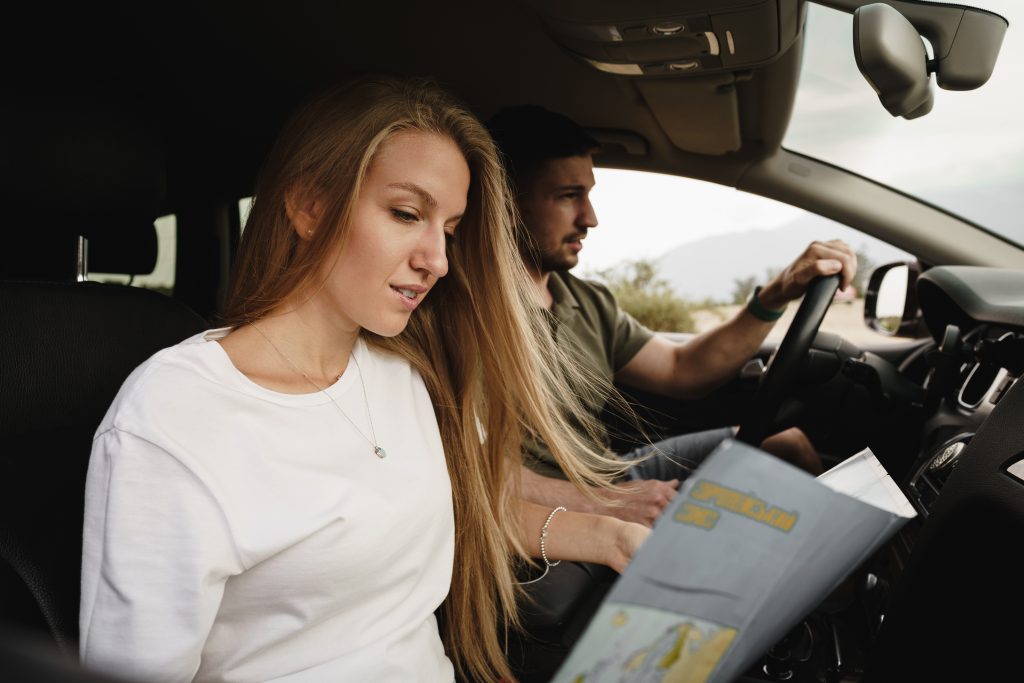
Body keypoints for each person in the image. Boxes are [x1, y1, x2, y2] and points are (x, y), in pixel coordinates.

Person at [78, 78, 649, 683]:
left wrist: (613, 537)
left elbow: (468, 509)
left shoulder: (410, 374)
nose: (438, 260)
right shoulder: (175, 415)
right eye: (407, 214)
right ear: (309, 207)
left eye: (449, 230)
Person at [486, 105, 858, 527]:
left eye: (588, 195)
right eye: (568, 196)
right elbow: (467, 465)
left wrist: (777, 294)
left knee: (786, 446)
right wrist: (603, 503)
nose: (590, 218)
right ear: (506, 202)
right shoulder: (470, 314)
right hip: (543, 504)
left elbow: (684, 368)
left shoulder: (587, 302)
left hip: (610, 473)